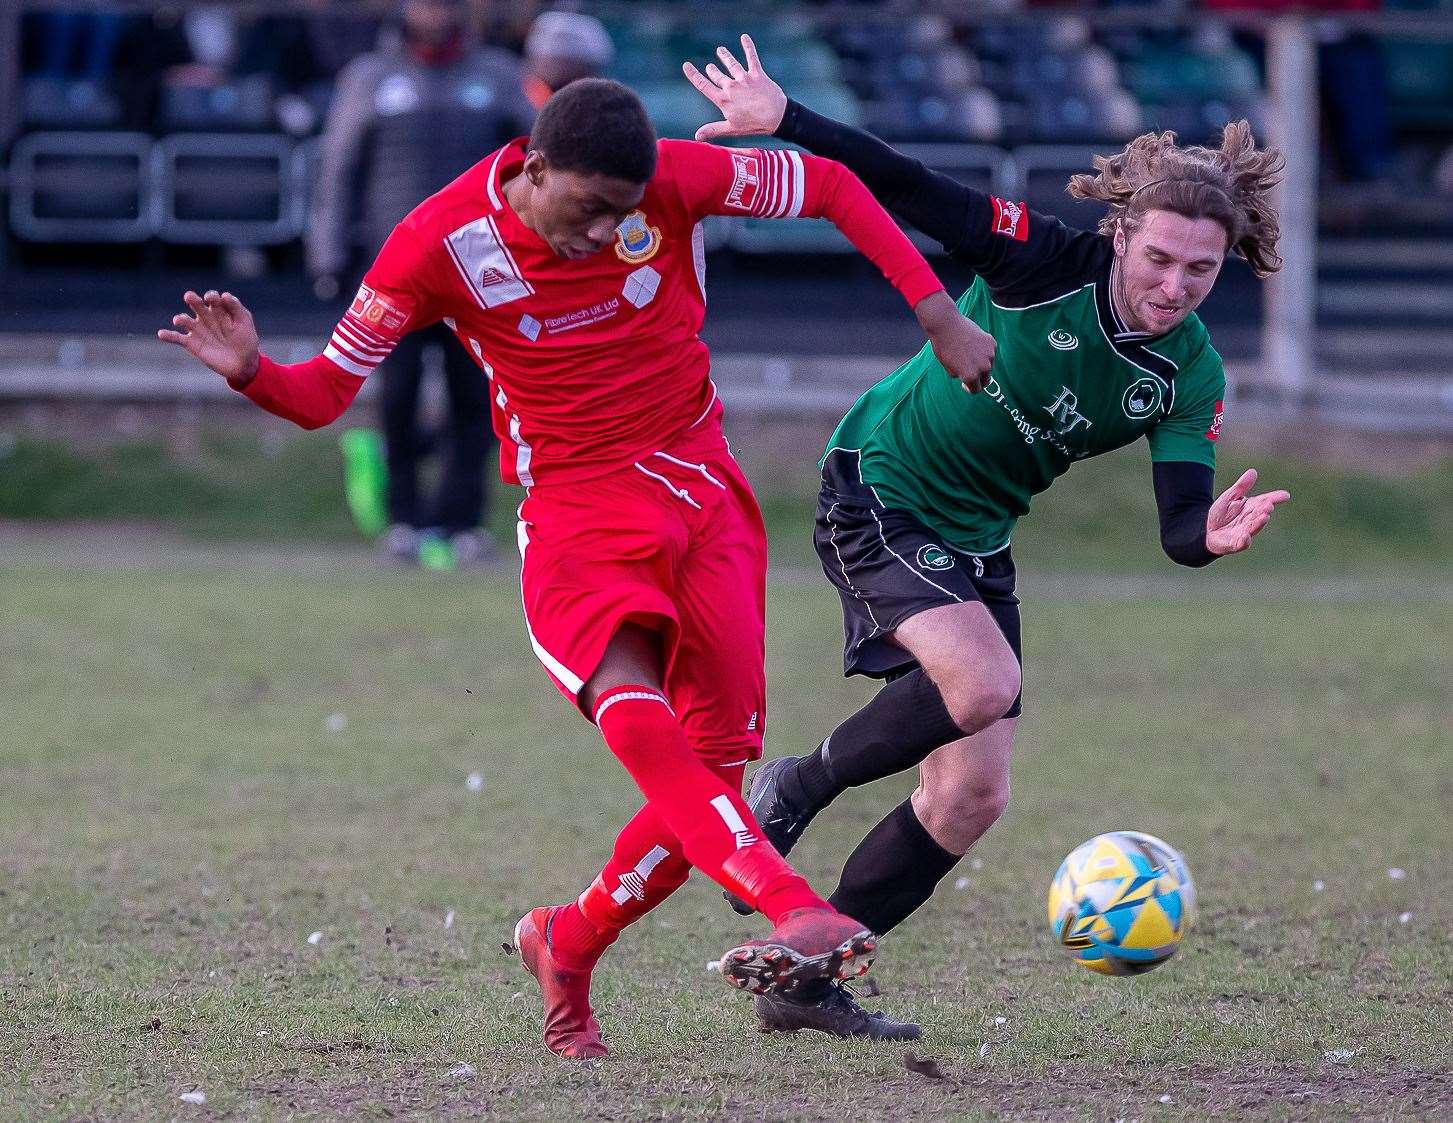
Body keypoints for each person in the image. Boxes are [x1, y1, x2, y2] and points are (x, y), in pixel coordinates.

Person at [157, 78, 998, 1058]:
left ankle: (568, 938)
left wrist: (936, 312)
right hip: (576, 508)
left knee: (715, 769)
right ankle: (789, 901)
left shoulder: (672, 180)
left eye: (624, 214)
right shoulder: (435, 244)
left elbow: (832, 188)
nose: (605, 233)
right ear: (535, 167)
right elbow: (323, 393)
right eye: (587, 209)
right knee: (637, 714)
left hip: (702, 487)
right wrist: (254, 369)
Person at [685, 36, 1291, 1039]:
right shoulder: (1039, 261)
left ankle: (803, 978)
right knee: (979, 685)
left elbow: (1179, 526)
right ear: (1120, 237)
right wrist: (786, 119)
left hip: (974, 536)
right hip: (879, 482)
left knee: (970, 791)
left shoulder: (1190, 375)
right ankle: (795, 783)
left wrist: (1211, 536)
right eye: (1158, 260)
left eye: (1200, 269)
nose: (1176, 285)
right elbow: (908, 183)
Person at [308, 0, 535, 565]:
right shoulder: (370, 78)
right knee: (398, 399)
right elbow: (337, 170)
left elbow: (539, 167)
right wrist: (328, 252)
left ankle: (461, 523)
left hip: (482, 271)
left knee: (476, 401)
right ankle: (403, 520)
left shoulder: (499, 76)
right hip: (396, 277)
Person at [522, 9, 614, 109]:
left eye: (572, 64)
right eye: (554, 61)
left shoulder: (602, 110)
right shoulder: (516, 99)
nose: (560, 69)